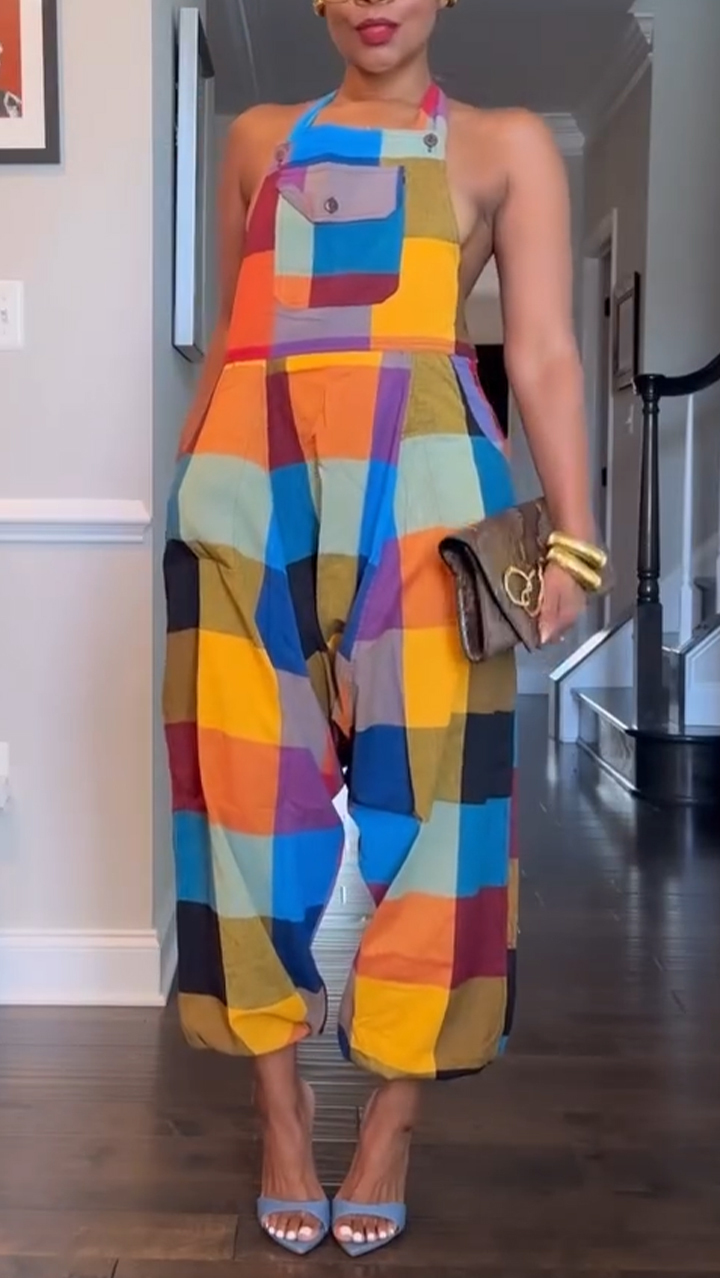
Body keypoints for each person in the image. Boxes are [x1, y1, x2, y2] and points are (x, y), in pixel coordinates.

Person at [163, 0, 598, 1258]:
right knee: (245, 809)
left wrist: (573, 538)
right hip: (250, 499)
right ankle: (280, 1114)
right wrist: (192, 496)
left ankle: (394, 1122)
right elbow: (233, 344)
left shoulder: (506, 144)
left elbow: (546, 355)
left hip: (432, 508)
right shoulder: (256, 139)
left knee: (440, 812)